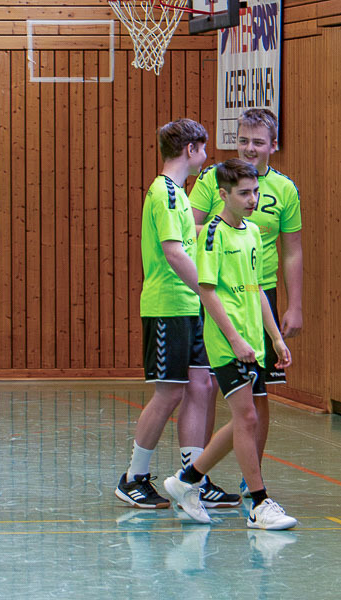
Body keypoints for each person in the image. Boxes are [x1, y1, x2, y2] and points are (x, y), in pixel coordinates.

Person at [163, 159, 298, 531]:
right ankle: (259, 504)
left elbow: (258, 291)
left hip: (254, 342)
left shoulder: (253, 233)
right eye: (244, 193)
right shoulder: (212, 234)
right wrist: (235, 339)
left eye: (255, 192)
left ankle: (188, 481)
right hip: (227, 343)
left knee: (243, 419)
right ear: (223, 195)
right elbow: (207, 292)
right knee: (248, 418)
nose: (252, 199)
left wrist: (275, 337)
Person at [114, 119, 238, 512]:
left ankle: (191, 479)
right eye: (204, 148)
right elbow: (173, 252)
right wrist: (207, 289)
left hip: (189, 307)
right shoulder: (166, 192)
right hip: (168, 305)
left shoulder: (180, 195)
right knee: (169, 393)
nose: (206, 156)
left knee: (201, 387)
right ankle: (133, 477)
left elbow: (188, 238)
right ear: (191, 149)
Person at [190, 108, 304, 497]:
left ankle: (247, 477)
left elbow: (292, 250)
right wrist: (222, 239)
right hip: (221, 296)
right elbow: (190, 230)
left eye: (257, 142)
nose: (249, 148)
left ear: (273, 145)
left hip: (259, 298)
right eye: (242, 140)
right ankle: (201, 478)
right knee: (212, 388)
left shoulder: (283, 191)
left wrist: (294, 306)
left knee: (257, 398)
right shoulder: (215, 181)